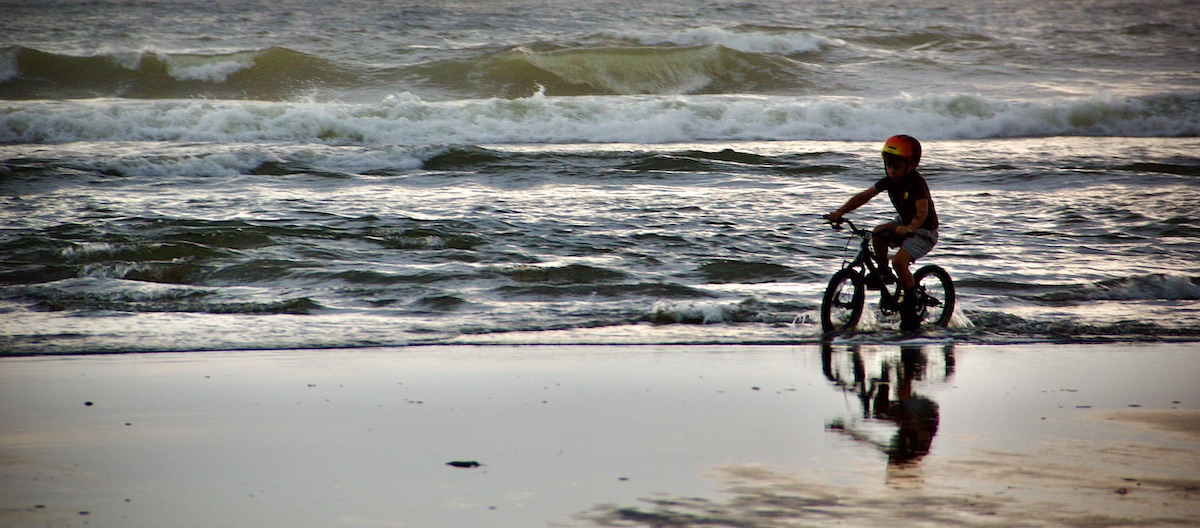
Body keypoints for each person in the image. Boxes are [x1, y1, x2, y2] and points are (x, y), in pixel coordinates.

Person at [825, 135, 939, 331]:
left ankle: (910, 310)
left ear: (911, 166)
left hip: (923, 231)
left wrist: (910, 228)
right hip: (903, 223)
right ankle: (884, 274)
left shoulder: (917, 183)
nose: (892, 171)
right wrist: (839, 212)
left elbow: (922, 212)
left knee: (900, 262)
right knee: (877, 234)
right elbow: (863, 196)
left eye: (897, 167)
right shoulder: (889, 181)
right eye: (888, 166)